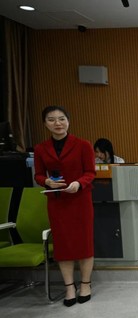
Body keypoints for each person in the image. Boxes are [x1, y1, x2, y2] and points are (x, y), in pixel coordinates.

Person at [33, 106, 96, 307]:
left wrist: (78, 183)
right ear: (45, 124)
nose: (57, 123)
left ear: (68, 121)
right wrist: (46, 182)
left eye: (61, 119)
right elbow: (38, 174)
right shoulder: (40, 148)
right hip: (57, 202)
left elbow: (90, 172)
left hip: (80, 201)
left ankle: (85, 284)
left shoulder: (83, 145)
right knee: (63, 246)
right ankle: (69, 287)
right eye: (51, 119)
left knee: (84, 243)